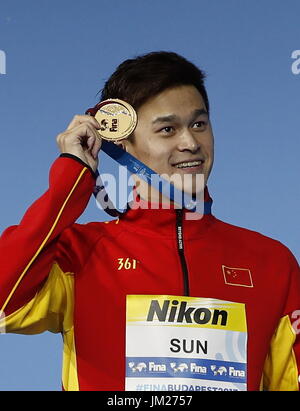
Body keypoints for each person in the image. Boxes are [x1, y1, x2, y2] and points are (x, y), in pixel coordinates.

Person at [0, 51, 299, 392]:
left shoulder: (271, 262)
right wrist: (71, 177)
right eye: (168, 129)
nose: (190, 143)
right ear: (122, 141)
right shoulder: (80, 255)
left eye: (199, 124)